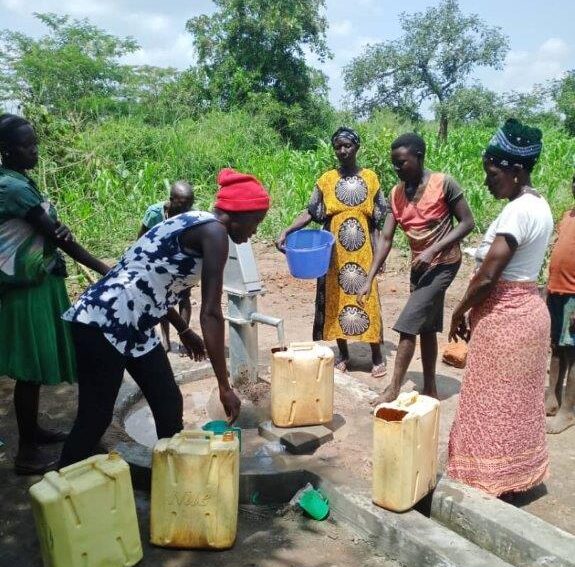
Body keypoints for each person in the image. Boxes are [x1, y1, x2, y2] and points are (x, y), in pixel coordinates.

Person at [58, 168, 270, 468]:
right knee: (95, 417)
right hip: (103, 320)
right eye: (256, 221)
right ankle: (61, 484)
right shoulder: (215, 234)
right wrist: (225, 386)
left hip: (135, 324)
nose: (255, 231)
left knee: (168, 401)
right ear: (239, 214)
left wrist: (183, 329)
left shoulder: (193, 221)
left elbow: (152, 282)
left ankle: (173, 480)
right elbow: (210, 313)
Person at [447, 119, 553, 497]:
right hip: (529, 315)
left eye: (493, 174)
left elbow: (490, 276)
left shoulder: (517, 212)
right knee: (516, 405)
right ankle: (514, 477)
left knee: (489, 404)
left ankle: (486, 485)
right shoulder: (540, 205)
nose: (488, 181)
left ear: (515, 170)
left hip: (506, 320)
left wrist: (460, 310)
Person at [0, 114, 108, 475]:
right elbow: (57, 235)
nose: (35, 150)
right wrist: (102, 267)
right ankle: (26, 452)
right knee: (29, 369)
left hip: (40, 283)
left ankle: (35, 432)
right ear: (7, 150)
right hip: (28, 290)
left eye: (35, 143)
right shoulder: (13, 188)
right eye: (27, 145)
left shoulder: (17, 181)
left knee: (35, 365)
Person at [357, 132, 475, 400]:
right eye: (394, 164)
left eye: (402, 162)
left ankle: (393, 389)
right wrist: (369, 278)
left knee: (408, 323)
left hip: (444, 263)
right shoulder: (396, 194)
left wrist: (433, 248)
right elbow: (386, 238)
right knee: (427, 327)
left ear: (419, 157)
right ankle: (431, 387)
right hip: (419, 267)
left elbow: (468, 223)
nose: (397, 169)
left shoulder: (443, 184)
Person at [277, 127, 387, 377]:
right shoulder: (326, 180)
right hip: (334, 252)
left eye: (347, 145)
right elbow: (311, 212)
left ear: (356, 147)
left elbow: (380, 220)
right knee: (336, 299)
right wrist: (287, 230)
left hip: (364, 252)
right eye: (338, 146)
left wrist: (381, 255)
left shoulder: (370, 178)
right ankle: (344, 353)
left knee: (366, 298)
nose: (342, 150)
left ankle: (377, 356)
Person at [138, 181, 195, 352]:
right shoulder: (154, 213)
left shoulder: (191, 215)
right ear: (171, 200)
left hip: (181, 258)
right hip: (158, 260)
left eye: (189, 206)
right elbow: (141, 237)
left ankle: (184, 336)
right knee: (162, 298)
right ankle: (165, 338)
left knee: (184, 296)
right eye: (182, 205)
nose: (185, 210)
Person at [545, 173, 575, 434]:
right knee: (556, 347)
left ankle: (568, 410)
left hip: (574, 297)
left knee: (573, 353)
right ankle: (552, 396)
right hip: (557, 292)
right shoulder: (567, 216)